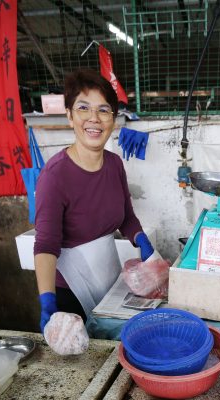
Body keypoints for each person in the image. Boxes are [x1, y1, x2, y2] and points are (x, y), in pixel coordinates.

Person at [34, 68, 154, 333]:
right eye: (83, 108)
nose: (94, 118)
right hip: (70, 289)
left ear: (113, 119)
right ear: (69, 116)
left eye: (103, 110)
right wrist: (47, 299)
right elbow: (45, 245)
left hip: (109, 278)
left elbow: (126, 217)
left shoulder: (114, 164)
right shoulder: (54, 176)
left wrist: (142, 240)